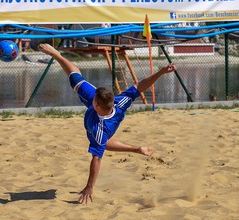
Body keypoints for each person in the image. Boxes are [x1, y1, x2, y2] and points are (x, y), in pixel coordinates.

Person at [38, 44, 176, 204]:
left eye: (94, 100)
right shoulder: (119, 102)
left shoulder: (98, 130)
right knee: (75, 78)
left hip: (100, 127)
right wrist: (161, 72)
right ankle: (57, 55)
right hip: (104, 118)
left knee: (100, 144)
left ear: (96, 105)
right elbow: (140, 86)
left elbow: (96, 160)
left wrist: (89, 187)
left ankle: (134, 149)